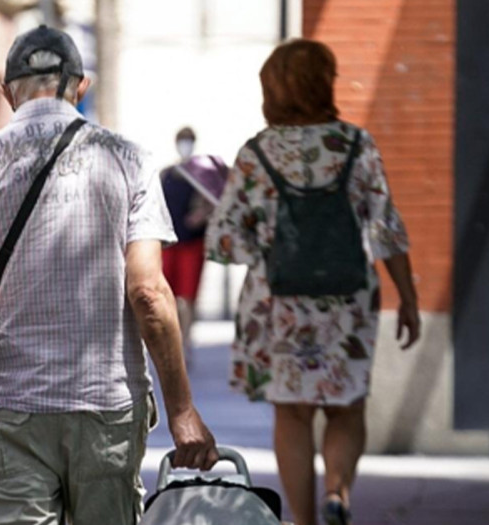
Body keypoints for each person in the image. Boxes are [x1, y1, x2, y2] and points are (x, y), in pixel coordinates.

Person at [0, 25, 218, 525]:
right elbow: (149, 292)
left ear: (6, 92)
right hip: (106, 405)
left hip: (10, 405)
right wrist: (182, 411)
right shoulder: (130, 160)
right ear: (80, 85)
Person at [206, 39, 421, 525]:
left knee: (293, 414)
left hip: (277, 301)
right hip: (347, 298)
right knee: (346, 407)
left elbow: (223, 242)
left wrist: (263, 245)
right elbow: (385, 226)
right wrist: (408, 298)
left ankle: (303, 520)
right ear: (323, 83)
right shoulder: (356, 145)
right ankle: (338, 494)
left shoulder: (256, 154)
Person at [160, 127, 228, 365]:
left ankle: (185, 342)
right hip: (169, 243)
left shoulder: (202, 173)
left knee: (188, 297)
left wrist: (201, 214)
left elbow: (217, 200)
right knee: (167, 295)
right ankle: (172, 340)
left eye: (188, 141)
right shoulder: (167, 173)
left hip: (192, 242)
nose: (185, 145)